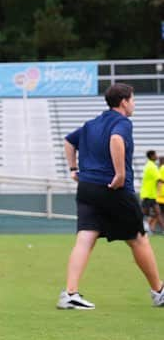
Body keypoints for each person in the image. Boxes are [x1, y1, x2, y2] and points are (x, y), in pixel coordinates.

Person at [57, 83, 164, 310]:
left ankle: (70, 293)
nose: (134, 104)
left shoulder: (92, 124)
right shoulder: (122, 122)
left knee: (86, 238)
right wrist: (120, 173)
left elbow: (68, 141)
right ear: (124, 102)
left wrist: (72, 169)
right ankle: (159, 291)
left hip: (86, 187)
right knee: (137, 238)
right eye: (133, 99)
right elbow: (116, 140)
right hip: (112, 188)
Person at [139, 150, 161, 233]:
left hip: (151, 194)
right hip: (148, 194)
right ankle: (138, 227)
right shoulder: (152, 166)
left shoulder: (149, 165)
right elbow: (159, 180)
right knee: (143, 213)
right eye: (155, 154)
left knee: (157, 213)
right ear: (151, 156)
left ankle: (149, 229)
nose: (157, 156)